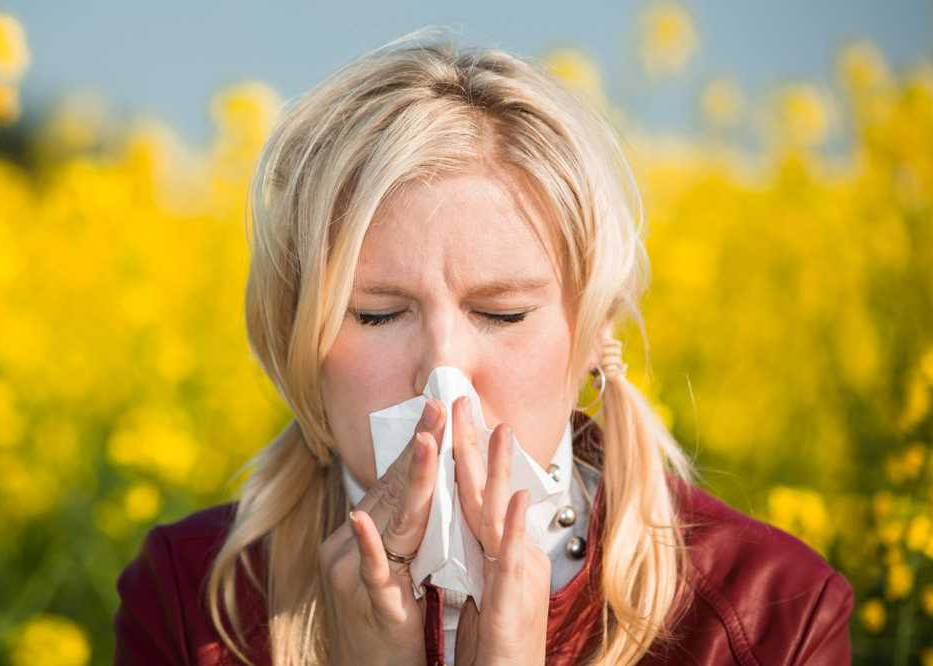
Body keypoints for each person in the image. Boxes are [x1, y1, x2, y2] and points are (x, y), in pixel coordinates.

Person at [113, 29, 854, 665]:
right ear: (295, 341)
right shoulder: (196, 605)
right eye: (374, 315)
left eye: (501, 313)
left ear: (597, 331)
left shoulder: (769, 614)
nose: (443, 371)